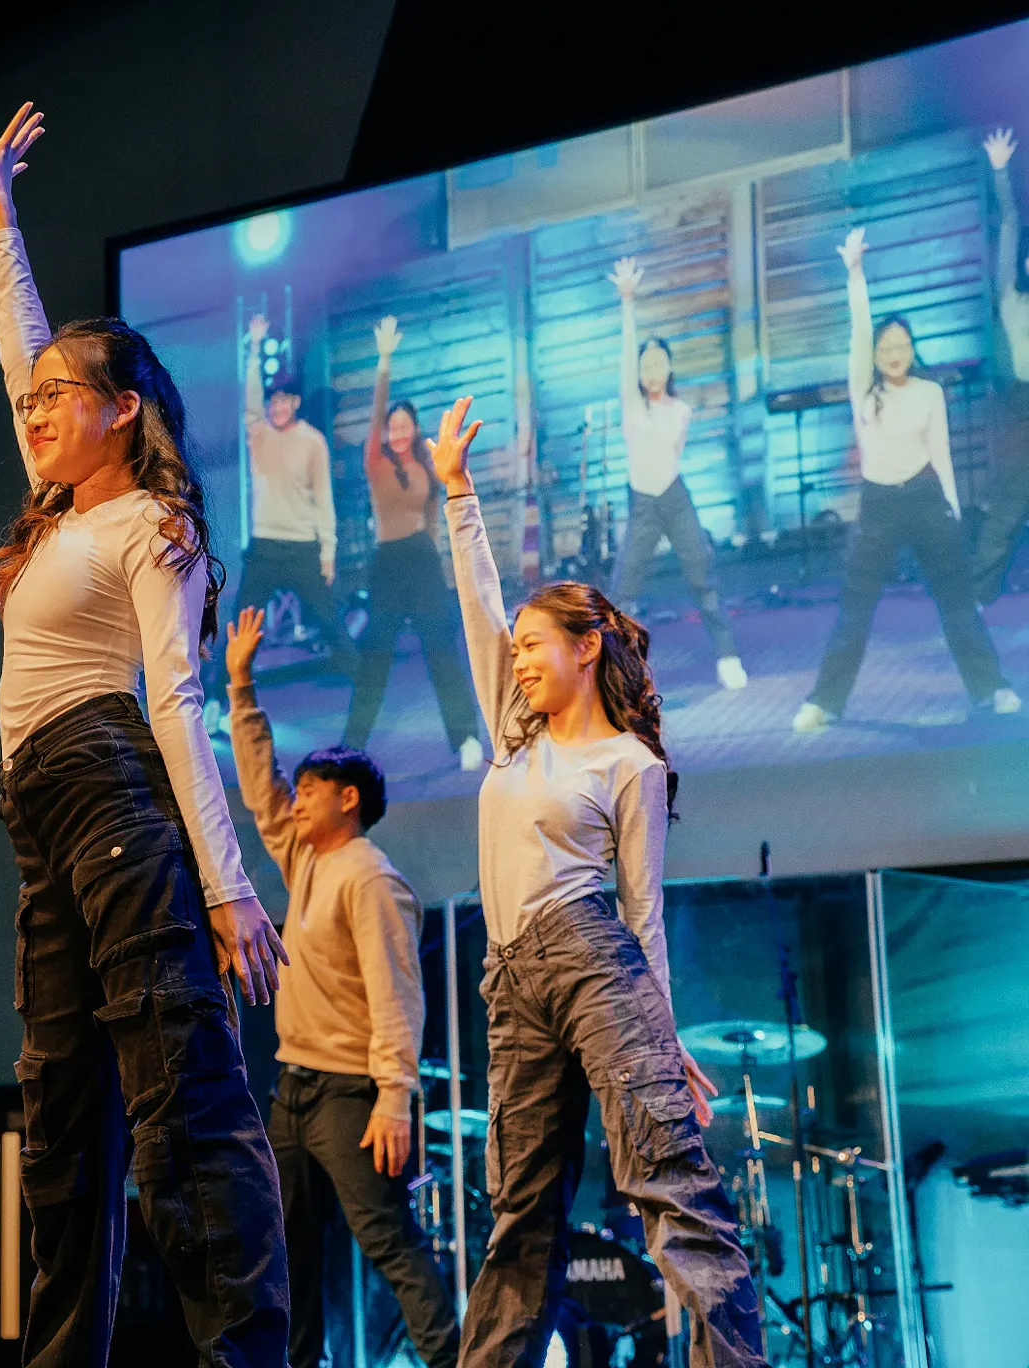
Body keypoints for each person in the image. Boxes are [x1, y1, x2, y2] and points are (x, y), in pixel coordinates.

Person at [0, 102, 292, 1367]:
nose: (34, 408)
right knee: (59, 1118)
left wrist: (225, 889)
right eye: (33, 396)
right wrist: (3, 223)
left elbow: (173, 706)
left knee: (176, 1097)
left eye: (60, 397)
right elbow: (20, 356)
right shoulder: (63, 509)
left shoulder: (149, 528)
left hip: (112, 794)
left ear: (120, 413)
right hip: (43, 815)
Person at [425, 395, 767, 1367]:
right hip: (510, 980)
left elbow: (640, 915)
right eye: (517, 648)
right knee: (516, 1215)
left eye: (536, 645)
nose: (518, 658)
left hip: (591, 959)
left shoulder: (628, 764)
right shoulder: (512, 727)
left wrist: (658, 1025)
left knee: (666, 1183)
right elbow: (474, 603)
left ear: (585, 649)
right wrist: (455, 491)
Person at [224, 604, 461, 1368]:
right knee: (289, 1251)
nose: (296, 798)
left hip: (351, 1095)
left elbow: (399, 992)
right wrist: (240, 688)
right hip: (295, 1091)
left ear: (347, 799)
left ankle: (451, 1359)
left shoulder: (369, 878)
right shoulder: (311, 863)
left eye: (312, 789)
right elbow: (261, 793)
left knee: (391, 1243)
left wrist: (396, 1095)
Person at [792, 228, 1020, 731]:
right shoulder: (863, 388)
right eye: (886, 345)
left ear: (913, 349)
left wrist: (954, 509)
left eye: (903, 344)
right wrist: (854, 273)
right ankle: (825, 701)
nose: (895, 352)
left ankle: (992, 686)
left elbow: (941, 454)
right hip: (878, 505)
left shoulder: (928, 392)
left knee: (957, 602)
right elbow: (858, 328)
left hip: (925, 498)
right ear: (874, 353)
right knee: (855, 610)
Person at [344, 316, 483, 770]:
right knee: (375, 659)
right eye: (393, 427)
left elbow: (432, 520)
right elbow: (377, 408)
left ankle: (464, 739)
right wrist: (383, 362)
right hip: (387, 562)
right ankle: (352, 746)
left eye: (406, 425)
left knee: (441, 648)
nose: (399, 432)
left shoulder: (425, 464)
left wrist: (441, 564)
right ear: (385, 432)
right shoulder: (375, 462)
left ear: (414, 428)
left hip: (423, 561)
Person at [604, 257, 749, 690]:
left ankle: (727, 658)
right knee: (623, 587)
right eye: (645, 365)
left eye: (658, 363)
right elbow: (627, 356)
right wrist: (627, 303)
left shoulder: (682, 411)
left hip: (675, 496)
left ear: (669, 369)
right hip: (643, 502)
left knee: (702, 574)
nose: (650, 371)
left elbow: (672, 455)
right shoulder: (632, 407)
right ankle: (611, 672)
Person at [227, 312, 353, 674]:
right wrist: (253, 349)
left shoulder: (313, 441)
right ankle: (220, 698)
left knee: (330, 622)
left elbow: (323, 499)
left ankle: (363, 686)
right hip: (266, 546)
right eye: (273, 401)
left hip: (302, 546)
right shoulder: (259, 434)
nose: (277, 407)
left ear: (296, 402)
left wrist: (328, 553)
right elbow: (250, 401)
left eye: (285, 400)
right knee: (240, 625)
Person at [972, 127, 1029, 605]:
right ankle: (982, 590)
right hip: (1016, 401)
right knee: (1009, 504)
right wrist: (999, 171)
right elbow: (1009, 222)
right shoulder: (1010, 295)